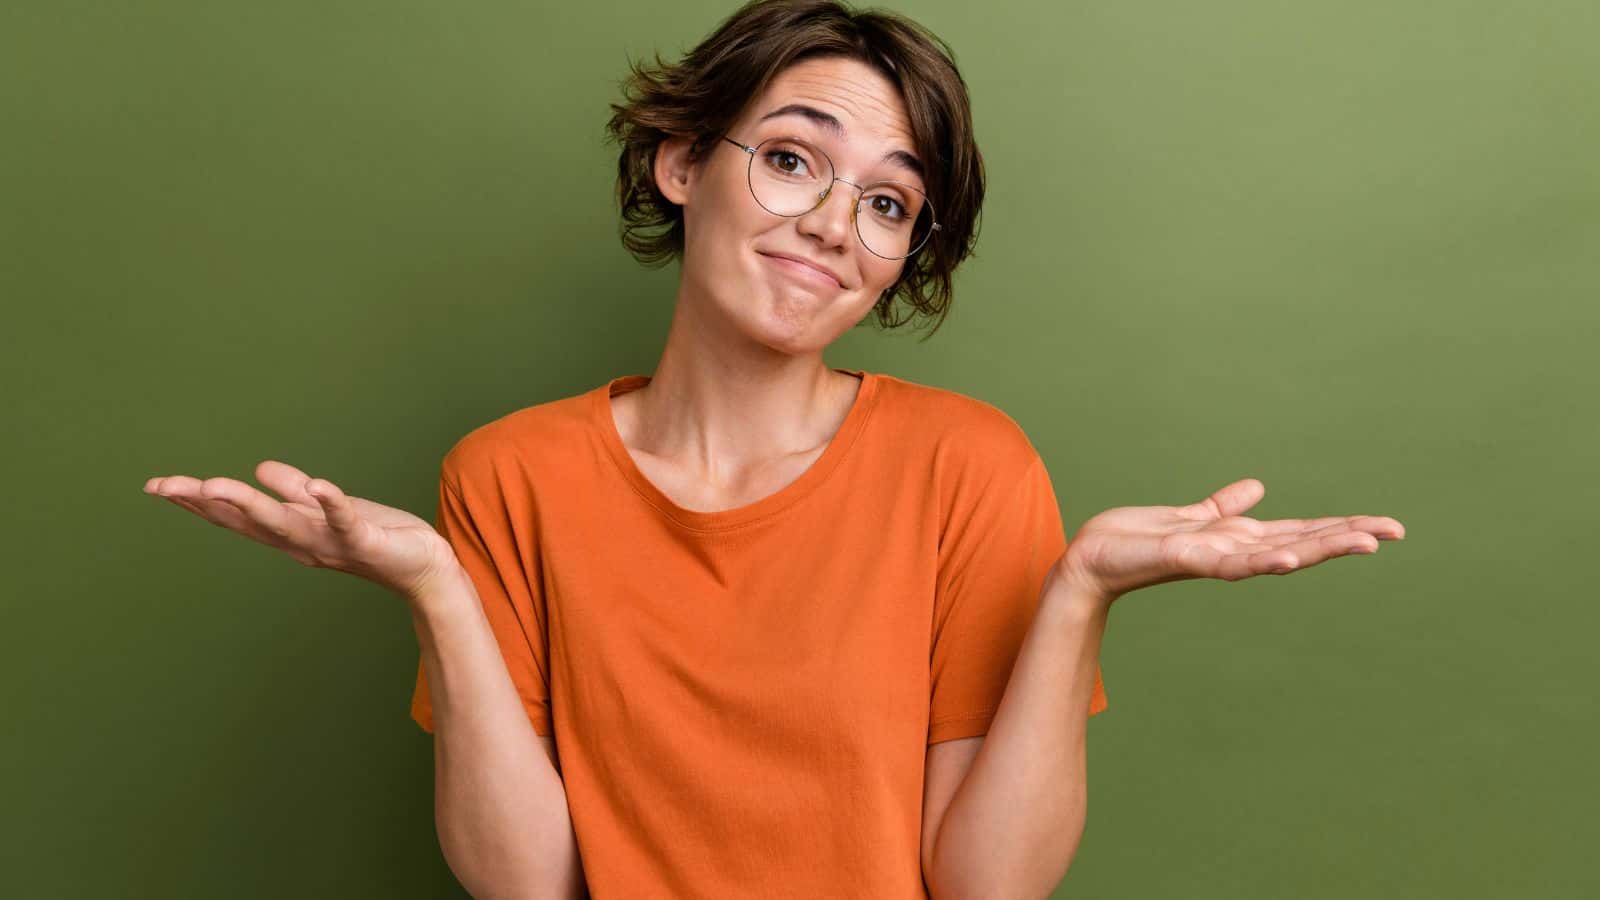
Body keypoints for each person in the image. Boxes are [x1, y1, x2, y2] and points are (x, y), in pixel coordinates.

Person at [142, 1, 1406, 897]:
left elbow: (985, 887)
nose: (830, 226)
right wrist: (434, 589)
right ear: (683, 161)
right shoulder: (508, 474)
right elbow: (528, 884)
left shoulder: (966, 467)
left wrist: (1079, 593)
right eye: (793, 158)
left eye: (888, 202)